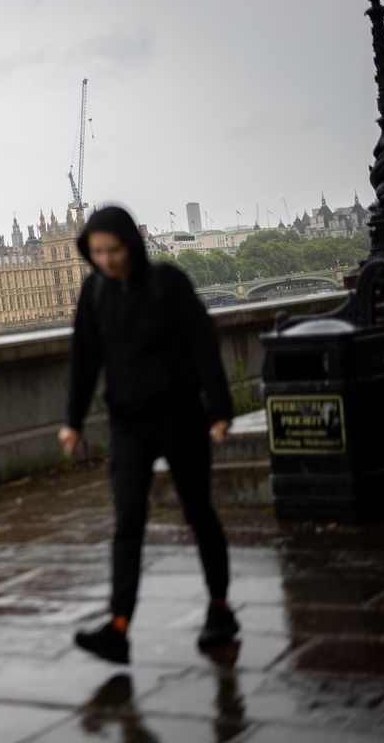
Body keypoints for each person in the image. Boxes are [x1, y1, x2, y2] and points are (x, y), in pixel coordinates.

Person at [59, 205, 240, 665]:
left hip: (180, 416)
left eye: (113, 251)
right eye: (97, 252)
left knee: (198, 512)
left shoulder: (168, 282)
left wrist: (219, 410)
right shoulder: (95, 291)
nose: (105, 260)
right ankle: (119, 627)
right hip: (128, 423)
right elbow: (84, 359)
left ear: (131, 246)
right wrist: (73, 421)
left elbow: (203, 343)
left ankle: (220, 607)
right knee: (127, 523)